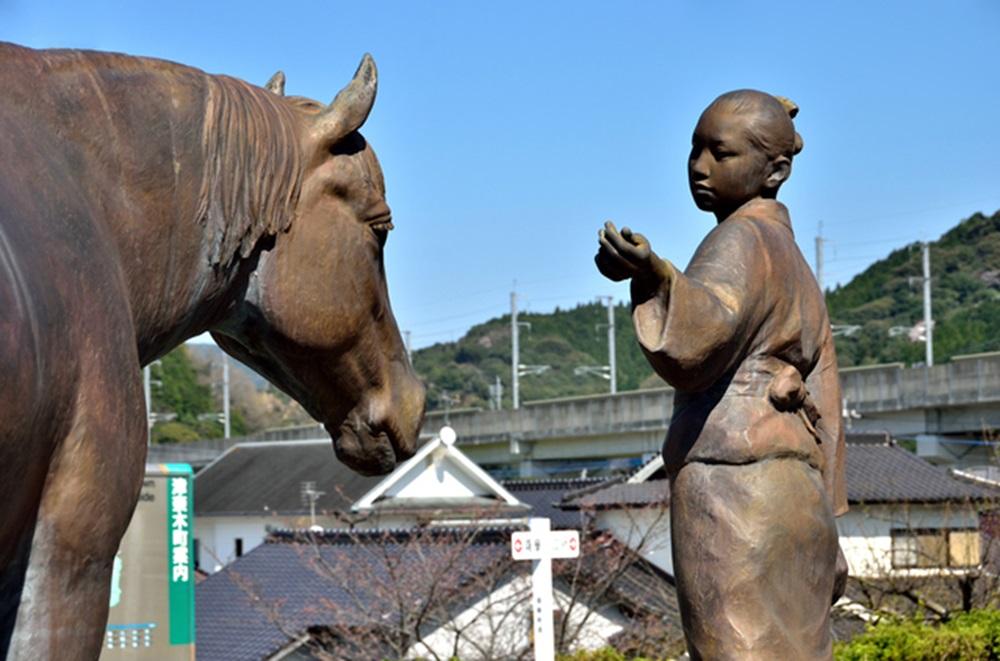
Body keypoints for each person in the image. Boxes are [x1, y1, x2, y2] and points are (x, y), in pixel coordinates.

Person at [595, 90, 847, 660]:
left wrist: (655, 276)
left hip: (736, 484)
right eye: (695, 149)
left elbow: (698, 341)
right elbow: (827, 390)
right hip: (798, 493)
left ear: (775, 170)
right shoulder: (791, 255)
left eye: (721, 153)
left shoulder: (741, 238)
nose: (699, 167)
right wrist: (832, 521)